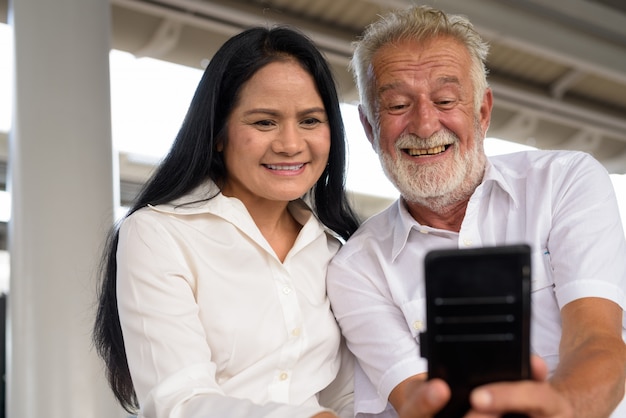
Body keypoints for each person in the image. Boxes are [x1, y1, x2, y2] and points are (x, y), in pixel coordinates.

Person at [326, 5, 626, 418]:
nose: (426, 125)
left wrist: (566, 406)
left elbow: (597, 339)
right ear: (368, 127)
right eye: (397, 105)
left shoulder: (565, 181)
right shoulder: (357, 269)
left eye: (446, 99)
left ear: (483, 112)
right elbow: (413, 396)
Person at [93, 26, 360, 418]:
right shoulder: (158, 235)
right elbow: (178, 403)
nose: (290, 144)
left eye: (310, 121)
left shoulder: (335, 251)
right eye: (264, 122)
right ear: (218, 133)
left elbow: (347, 398)